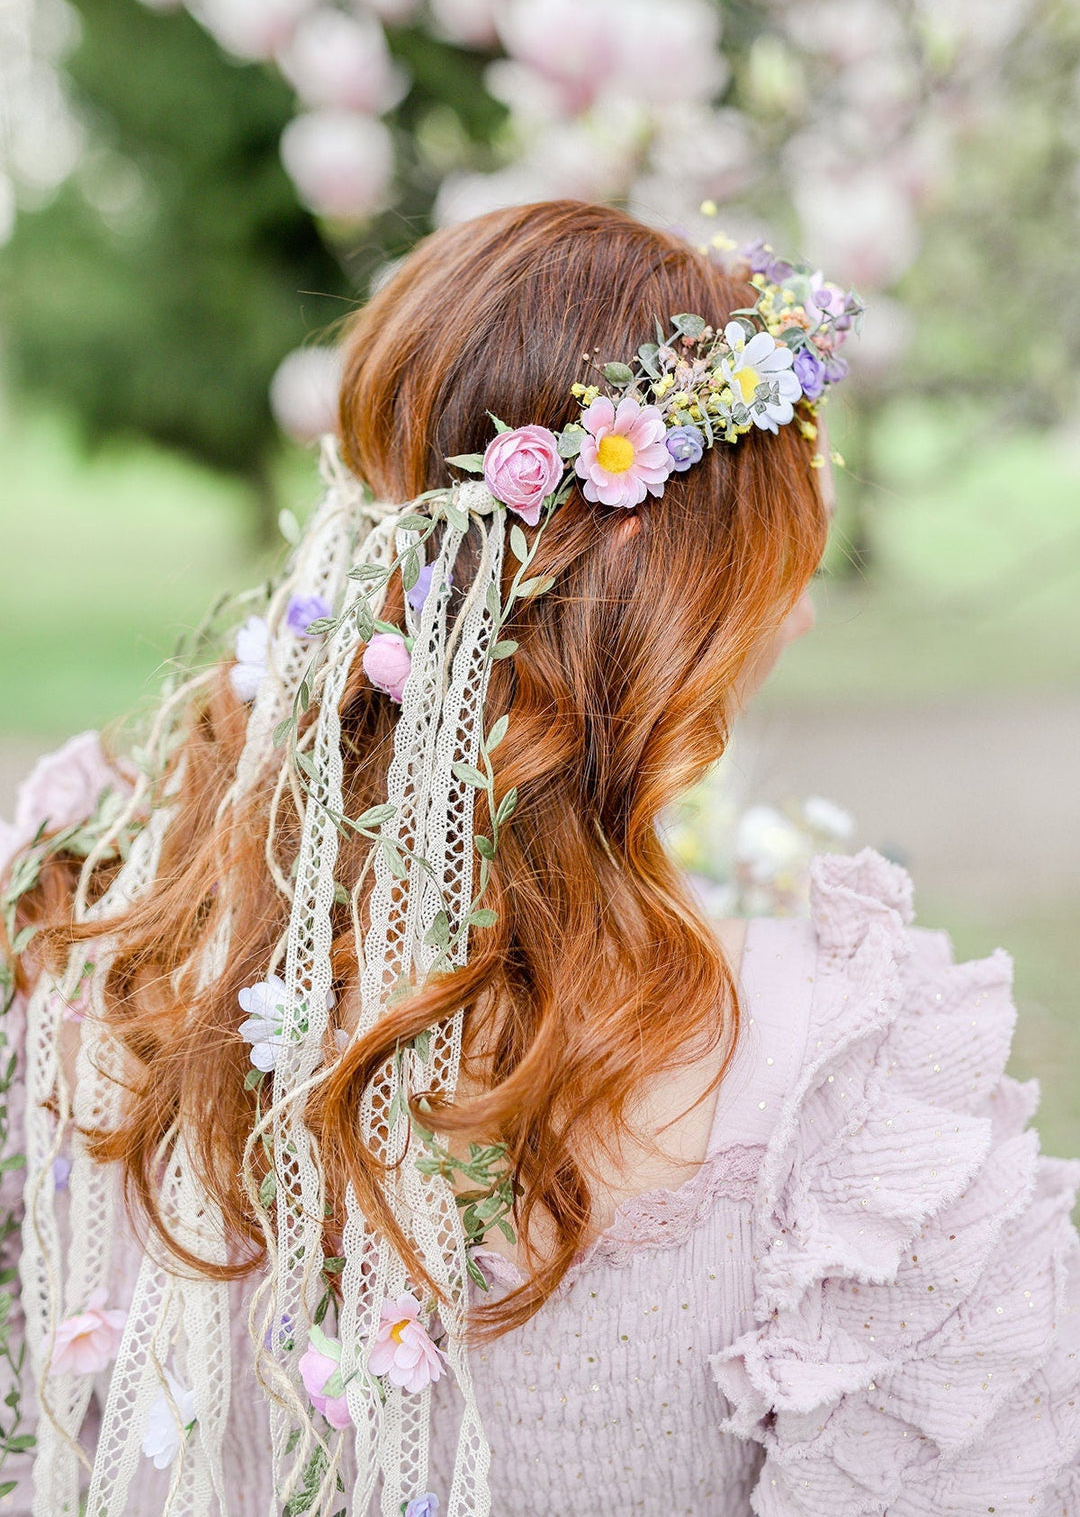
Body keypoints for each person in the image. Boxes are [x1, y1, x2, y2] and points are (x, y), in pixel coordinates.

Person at [1, 199, 1076, 1517]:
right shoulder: (840, 1080)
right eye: (783, 554)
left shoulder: (76, 906)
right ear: (666, 589)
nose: (797, 611)